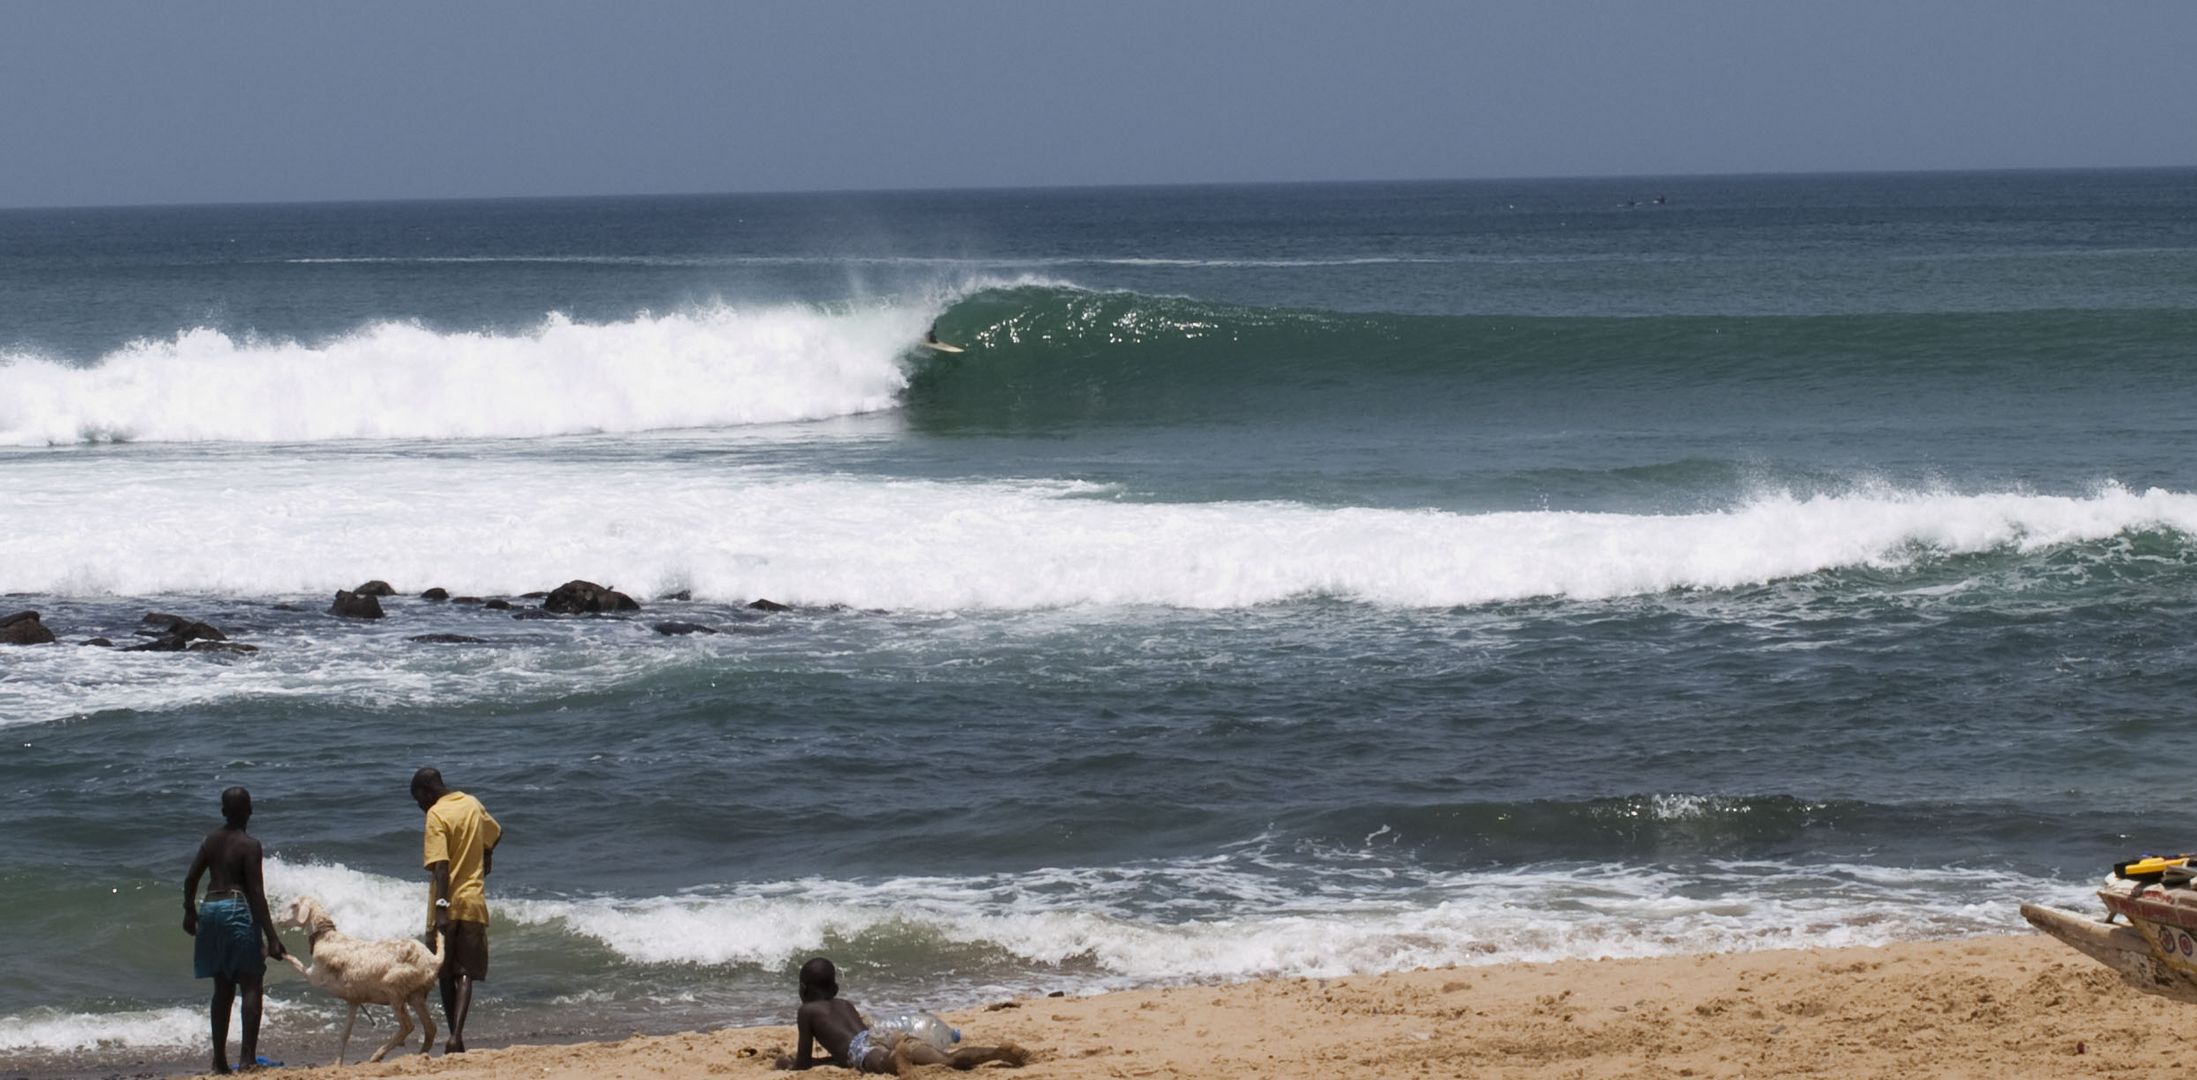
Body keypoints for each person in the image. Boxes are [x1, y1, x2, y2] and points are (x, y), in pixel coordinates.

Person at [181, 786, 288, 1074]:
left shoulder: (210, 841)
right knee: (251, 983)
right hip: (236, 908)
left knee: (222, 988)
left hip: (211, 909)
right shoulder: (250, 845)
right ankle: (248, 1059)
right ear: (250, 811)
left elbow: (191, 879)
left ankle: (219, 1062)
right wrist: (273, 937)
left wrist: (190, 911)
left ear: (223, 812)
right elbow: (256, 893)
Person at [774, 957, 1027, 1074]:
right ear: (834, 988)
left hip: (862, 1051)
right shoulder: (844, 1003)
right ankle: (996, 1052)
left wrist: (786, 1063)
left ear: (803, 989)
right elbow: (857, 1038)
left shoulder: (806, 1011)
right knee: (946, 1059)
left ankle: (897, 1060)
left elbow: (804, 1063)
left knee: (887, 1063)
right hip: (878, 1036)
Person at [411, 767, 501, 1053]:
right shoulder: (472, 804)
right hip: (473, 901)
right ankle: (457, 1035)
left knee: (445, 973)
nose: (419, 806)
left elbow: (441, 865)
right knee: (465, 972)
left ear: (427, 791)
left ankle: (453, 1035)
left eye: (418, 799)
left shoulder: (436, 814)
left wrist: (441, 907)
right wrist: (486, 853)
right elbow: (495, 832)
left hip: (447, 903)